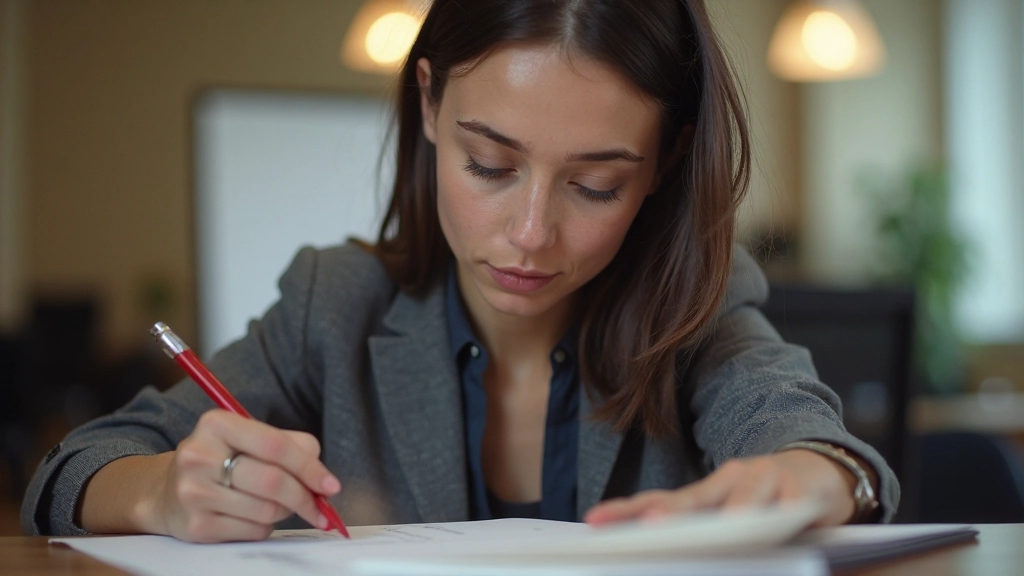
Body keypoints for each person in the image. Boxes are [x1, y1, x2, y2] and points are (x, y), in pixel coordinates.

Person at [22, 0, 898, 542]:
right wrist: (164, 498)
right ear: (431, 103)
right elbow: (71, 471)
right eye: (490, 166)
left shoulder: (699, 312)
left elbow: (822, 448)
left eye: (595, 186)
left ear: (663, 164)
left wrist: (817, 475)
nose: (528, 234)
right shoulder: (334, 308)